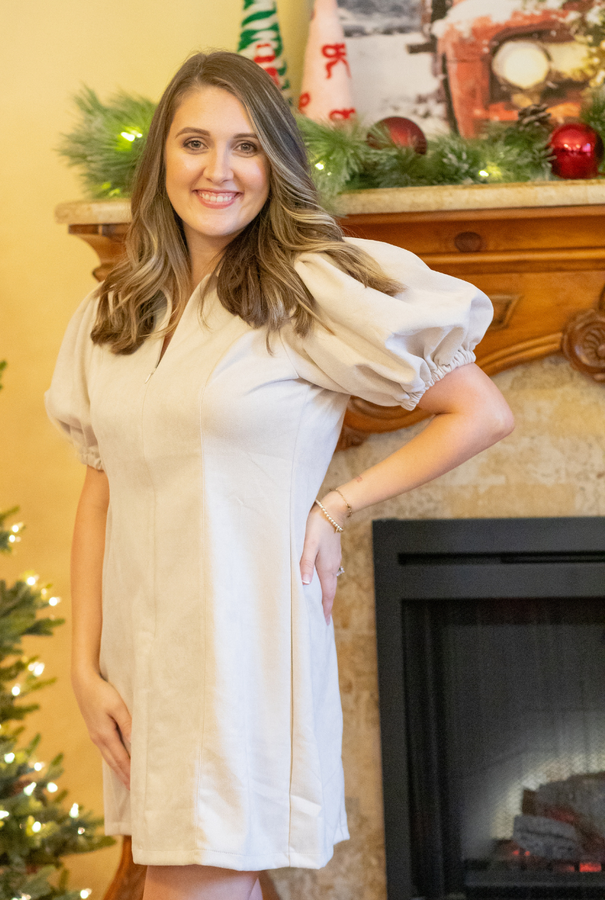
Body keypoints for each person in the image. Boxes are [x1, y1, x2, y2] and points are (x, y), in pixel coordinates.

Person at [46, 49, 513, 900]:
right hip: (138, 658)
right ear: (161, 160)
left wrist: (335, 507)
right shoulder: (112, 310)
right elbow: (99, 490)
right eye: (194, 143)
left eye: (246, 146)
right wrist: (83, 668)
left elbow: (482, 411)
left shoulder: (310, 288)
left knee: (195, 878)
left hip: (244, 647)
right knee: (192, 874)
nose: (217, 169)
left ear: (275, 166)